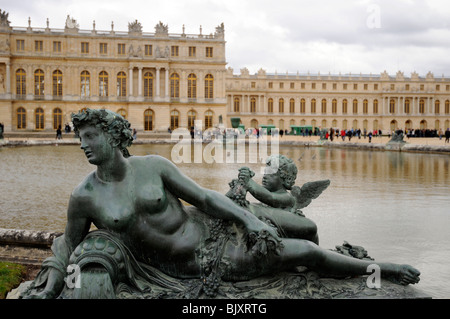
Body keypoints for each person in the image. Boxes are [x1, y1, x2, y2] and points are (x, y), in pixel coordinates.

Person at [22, 109, 420, 299]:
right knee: (302, 252)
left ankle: (380, 269)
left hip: (212, 232)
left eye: (90, 136)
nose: (83, 144)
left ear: (112, 135)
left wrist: (249, 221)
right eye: (82, 138)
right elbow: (66, 245)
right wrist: (49, 286)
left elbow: (207, 198)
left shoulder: (154, 166)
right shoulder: (84, 196)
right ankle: (374, 270)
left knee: (304, 248)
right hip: (193, 263)